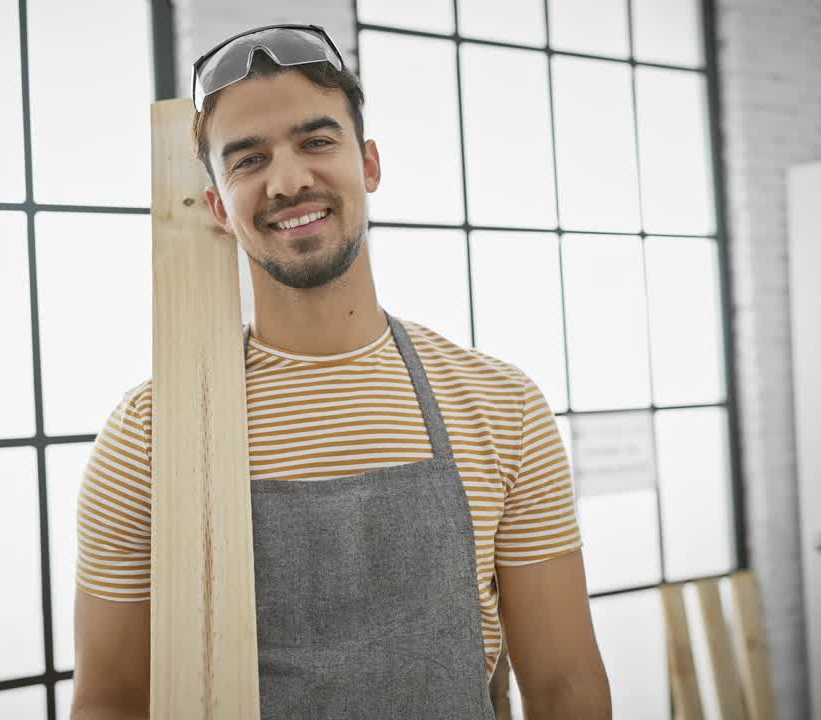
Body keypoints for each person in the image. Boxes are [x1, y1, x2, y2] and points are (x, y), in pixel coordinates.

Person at [70, 24, 610, 719]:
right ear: (217, 208)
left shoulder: (501, 405)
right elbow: (111, 701)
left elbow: (566, 685)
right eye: (248, 160)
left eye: (317, 142)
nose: (289, 180)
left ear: (371, 165)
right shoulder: (149, 437)